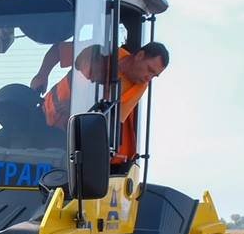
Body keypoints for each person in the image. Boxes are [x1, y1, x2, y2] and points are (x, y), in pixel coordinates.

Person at [31, 40, 169, 163]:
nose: (148, 78)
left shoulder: (139, 86)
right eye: (149, 70)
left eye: (154, 76)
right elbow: (58, 51)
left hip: (62, 137)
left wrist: (76, 109)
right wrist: (42, 75)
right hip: (42, 114)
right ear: (140, 56)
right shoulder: (103, 51)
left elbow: (110, 119)